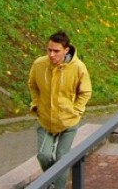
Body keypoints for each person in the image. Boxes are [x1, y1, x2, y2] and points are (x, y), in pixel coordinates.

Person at [28, 29, 92, 189]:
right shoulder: (39, 64)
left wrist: (76, 110)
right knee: (43, 156)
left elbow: (85, 91)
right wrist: (36, 103)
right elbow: (32, 84)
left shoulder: (78, 67)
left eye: (56, 51)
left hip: (68, 122)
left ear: (66, 50)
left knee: (62, 159)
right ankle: (52, 181)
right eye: (49, 50)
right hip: (45, 120)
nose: (51, 54)